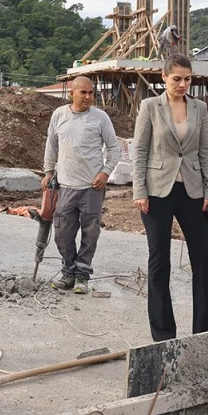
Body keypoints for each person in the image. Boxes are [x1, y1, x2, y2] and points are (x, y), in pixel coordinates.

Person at [132, 54, 208, 341]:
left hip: (193, 192)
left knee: (202, 260)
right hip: (157, 192)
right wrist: (139, 191)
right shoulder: (150, 107)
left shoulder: (200, 109)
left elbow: (205, 152)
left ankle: (205, 330)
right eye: (176, 79)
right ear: (164, 77)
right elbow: (140, 151)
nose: (182, 84)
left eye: (187, 79)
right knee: (159, 262)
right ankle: (163, 334)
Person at [42, 76, 120, 294]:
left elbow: (114, 149)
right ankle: (68, 271)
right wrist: (49, 172)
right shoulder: (59, 115)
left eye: (91, 93)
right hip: (66, 185)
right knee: (62, 233)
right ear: (72, 94)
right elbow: (52, 144)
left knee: (90, 231)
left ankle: (82, 276)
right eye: (83, 92)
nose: (88, 97)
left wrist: (105, 173)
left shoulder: (100, 118)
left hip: (91, 187)